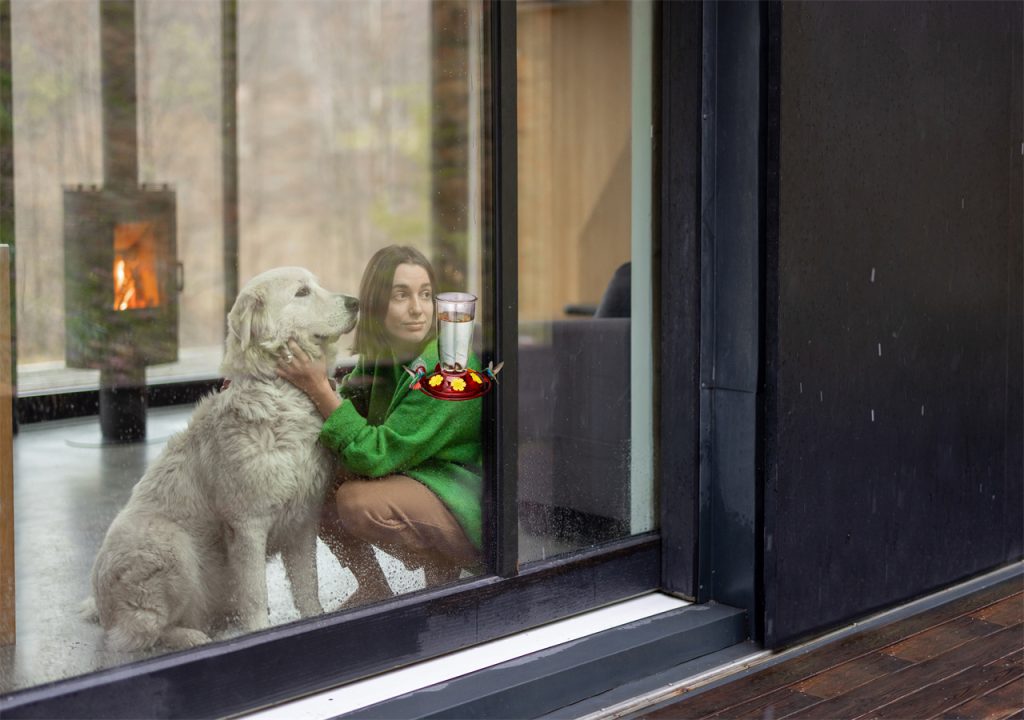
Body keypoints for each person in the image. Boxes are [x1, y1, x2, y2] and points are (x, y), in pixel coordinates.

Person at [276, 245, 483, 607]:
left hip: (467, 501)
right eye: (400, 295)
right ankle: (373, 586)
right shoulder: (387, 357)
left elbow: (374, 454)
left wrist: (317, 386)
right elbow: (345, 418)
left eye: (425, 295)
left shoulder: (448, 365)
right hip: (417, 478)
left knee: (358, 502)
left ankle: (441, 585)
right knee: (317, 483)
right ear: (376, 305)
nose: (418, 309)